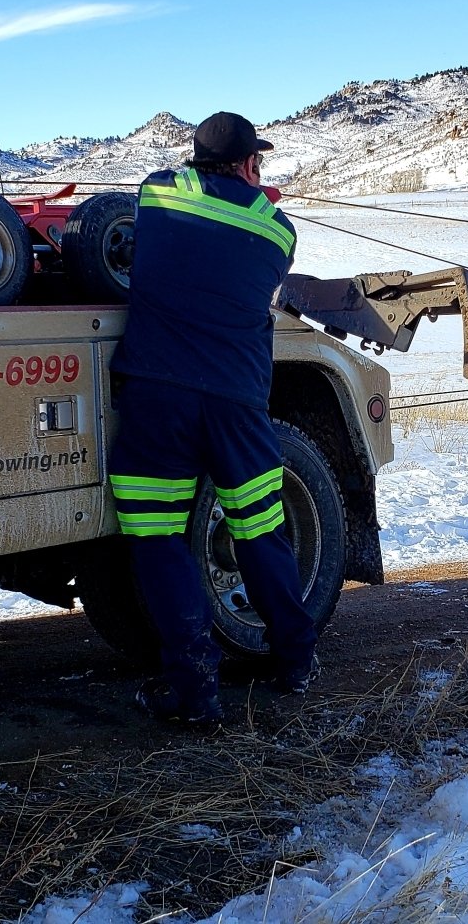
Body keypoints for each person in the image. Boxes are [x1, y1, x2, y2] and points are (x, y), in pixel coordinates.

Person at [105, 111, 318, 725]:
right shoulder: (278, 231)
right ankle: (295, 662)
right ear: (251, 164)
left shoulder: (156, 192)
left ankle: (195, 690)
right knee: (258, 529)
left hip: (157, 397)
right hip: (237, 402)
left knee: (159, 539)